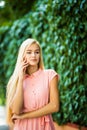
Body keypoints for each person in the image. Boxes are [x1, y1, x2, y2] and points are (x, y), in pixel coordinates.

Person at [6, 38, 60, 130]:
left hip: (44, 127)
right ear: (23, 55)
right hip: (23, 127)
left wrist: (25, 116)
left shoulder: (50, 75)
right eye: (29, 52)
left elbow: (54, 106)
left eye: (37, 52)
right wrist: (20, 79)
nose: (33, 55)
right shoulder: (15, 80)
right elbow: (16, 111)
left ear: (40, 55)